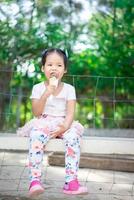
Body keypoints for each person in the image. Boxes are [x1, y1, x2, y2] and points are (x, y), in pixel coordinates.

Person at [17, 48, 88, 197]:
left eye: (59, 65)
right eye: (50, 65)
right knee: (36, 136)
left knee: (73, 138)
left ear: (65, 70)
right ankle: (34, 181)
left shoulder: (69, 89)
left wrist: (64, 127)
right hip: (44, 121)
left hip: (64, 122)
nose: (54, 68)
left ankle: (71, 182)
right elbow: (36, 113)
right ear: (43, 68)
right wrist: (46, 93)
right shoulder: (38, 88)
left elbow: (70, 113)